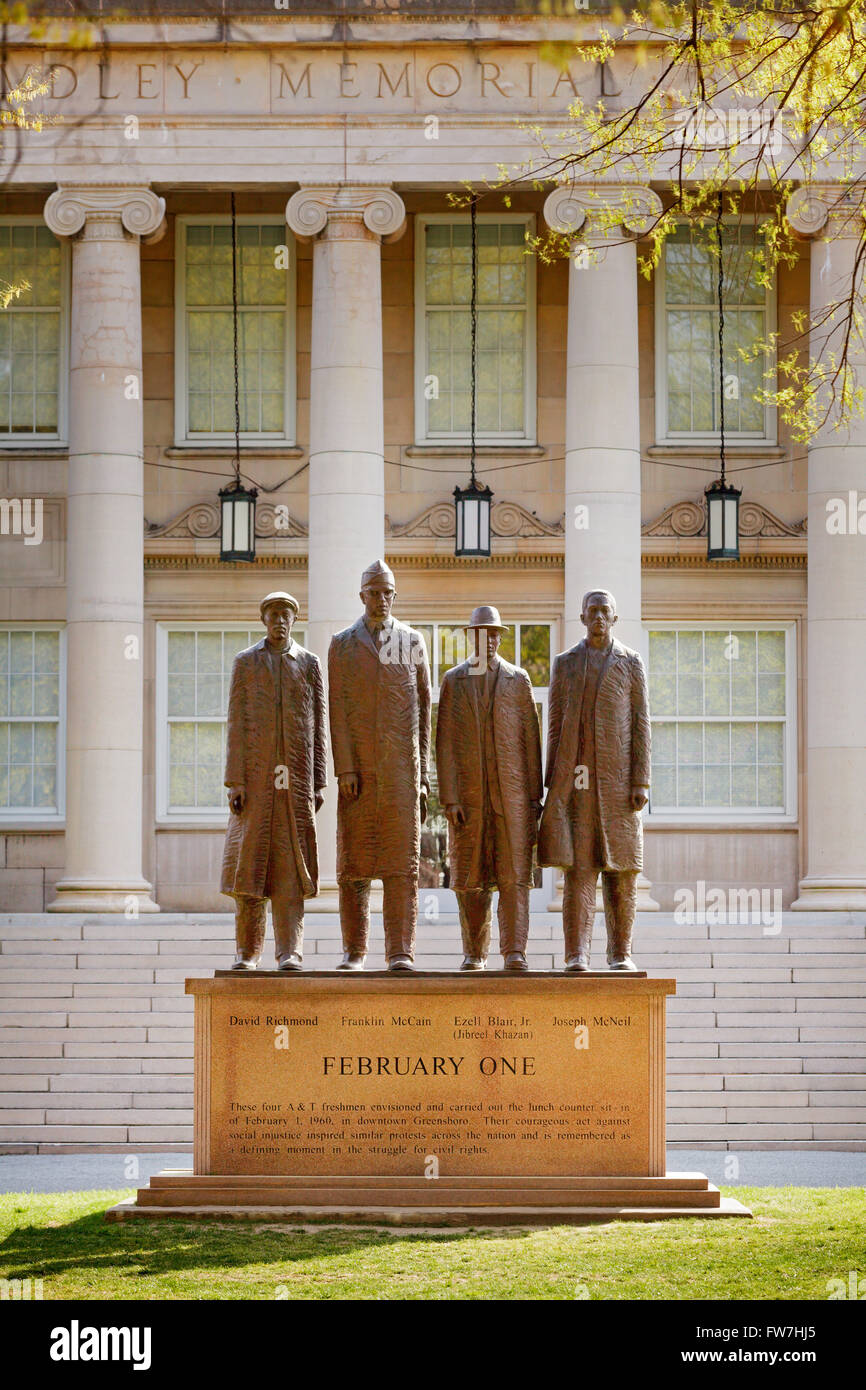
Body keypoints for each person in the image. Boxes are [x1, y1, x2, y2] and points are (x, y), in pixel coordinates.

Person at [538, 589, 651, 972]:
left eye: (605, 611)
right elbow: (555, 723)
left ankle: (620, 953)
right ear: (583, 618)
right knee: (579, 872)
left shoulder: (631, 663)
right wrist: (553, 786)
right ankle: (577, 954)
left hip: (620, 788)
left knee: (623, 873)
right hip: (577, 784)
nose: (599, 617)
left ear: (614, 618)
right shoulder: (566, 664)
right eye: (593, 611)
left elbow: (640, 722)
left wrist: (641, 781)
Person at [328, 560, 432, 971]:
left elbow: (424, 711)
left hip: (402, 775)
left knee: (401, 868)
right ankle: (354, 951)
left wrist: (422, 778)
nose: (382, 599)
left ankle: (400, 951)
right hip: (358, 776)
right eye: (374, 592)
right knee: (353, 867)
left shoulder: (412, 641)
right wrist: (344, 768)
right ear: (362, 596)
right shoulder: (342, 644)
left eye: (388, 593)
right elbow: (336, 709)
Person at [221, 592, 326, 971]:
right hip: (255, 784)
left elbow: (318, 726)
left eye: (286, 615)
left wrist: (318, 782)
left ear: (294, 620)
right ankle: (247, 952)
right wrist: (235, 781)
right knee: (249, 870)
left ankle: (289, 952)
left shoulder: (309, 664)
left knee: (290, 872)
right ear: (264, 620)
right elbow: (236, 722)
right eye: (273, 615)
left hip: (295, 787)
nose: (280, 621)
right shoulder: (246, 663)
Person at [436, 605, 543, 972]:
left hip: (512, 800)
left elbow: (531, 741)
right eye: (483, 633)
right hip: (469, 800)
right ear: (472, 637)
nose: (490, 640)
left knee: (515, 878)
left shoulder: (518, 680)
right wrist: (449, 797)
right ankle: (474, 952)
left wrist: (534, 798)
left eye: (495, 633)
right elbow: (445, 743)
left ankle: (515, 951)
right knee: (471, 880)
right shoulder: (454, 680)